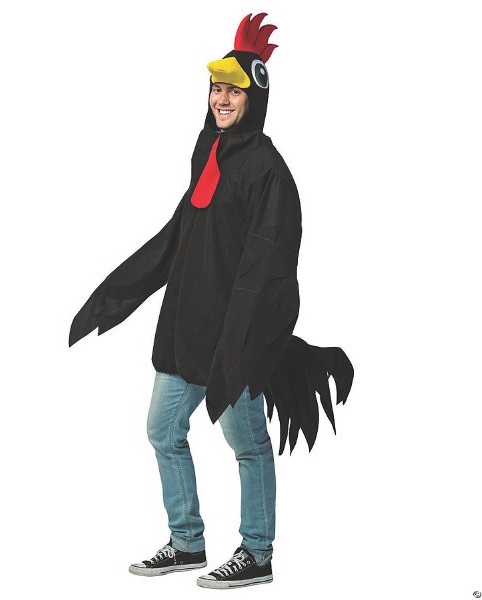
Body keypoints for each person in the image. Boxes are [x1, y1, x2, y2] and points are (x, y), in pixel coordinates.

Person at [69, 13, 354, 590]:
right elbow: (181, 233)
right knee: (162, 429)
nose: (221, 99)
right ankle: (187, 542)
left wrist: (241, 339)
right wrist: (119, 289)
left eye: (234, 91)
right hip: (187, 327)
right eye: (216, 88)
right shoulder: (209, 150)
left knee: (246, 444)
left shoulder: (269, 172)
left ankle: (257, 553)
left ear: (256, 98)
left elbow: (268, 269)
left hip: (233, 337)